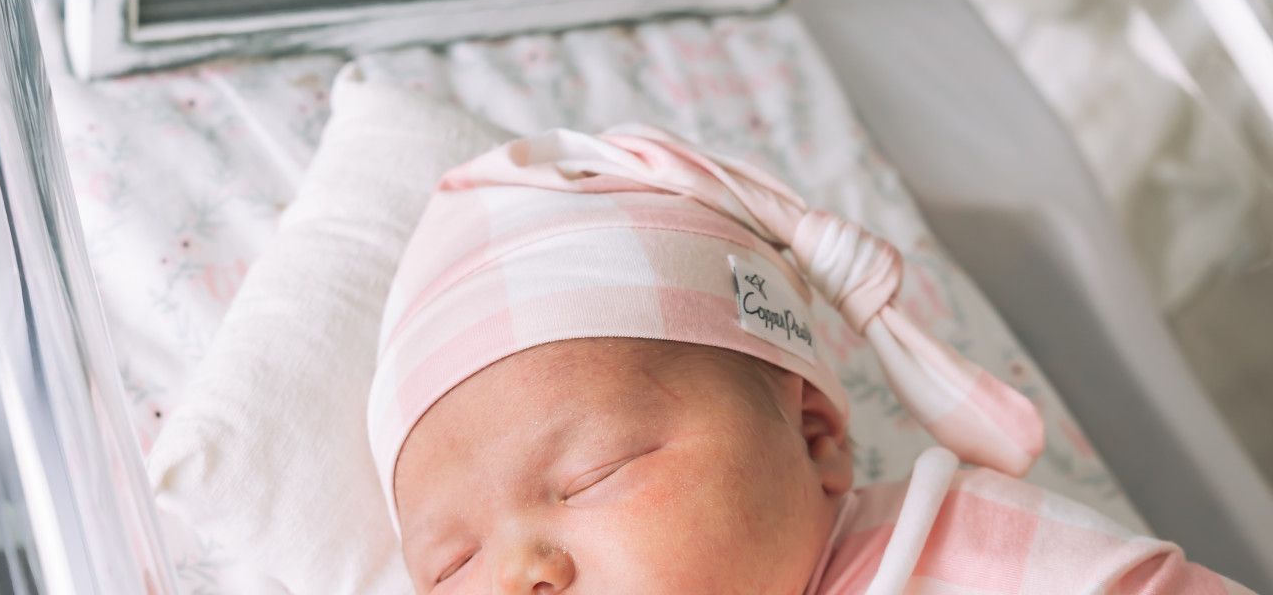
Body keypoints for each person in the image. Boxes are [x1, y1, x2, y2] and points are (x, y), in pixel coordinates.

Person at [367, 125, 1253, 593]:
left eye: (597, 471)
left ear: (813, 435)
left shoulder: (959, 551)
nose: (521, 573)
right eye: (449, 567)